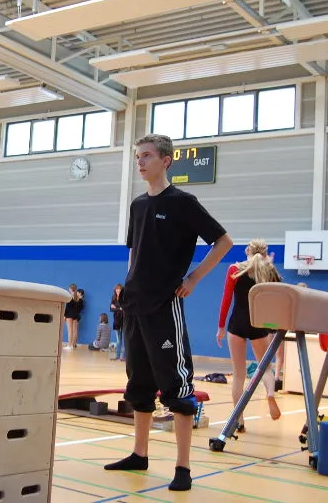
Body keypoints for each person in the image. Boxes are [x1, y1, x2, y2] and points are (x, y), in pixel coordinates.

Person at [105, 134, 233, 492]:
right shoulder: (137, 205)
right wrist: (128, 285)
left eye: (146, 156)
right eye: (137, 157)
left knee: (177, 387)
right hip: (134, 306)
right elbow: (134, 251)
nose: (140, 162)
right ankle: (139, 454)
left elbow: (224, 241)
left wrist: (193, 278)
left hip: (165, 306)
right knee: (139, 384)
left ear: (166, 160)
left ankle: (183, 467)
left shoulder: (183, 203)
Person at [217, 238, 283, 431]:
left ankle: (239, 420)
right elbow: (277, 298)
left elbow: (226, 299)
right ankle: (270, 393)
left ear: (247, 251)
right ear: (265, 253)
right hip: (258, 324)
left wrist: (221, 327)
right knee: (265, 368)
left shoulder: (234, 269)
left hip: (237, 323)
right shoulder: (269, 271)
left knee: (238, 375)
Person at [63, 284, 84, 349]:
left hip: (69, 315)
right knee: (75, 331)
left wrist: (64, 315)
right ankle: (73, 344)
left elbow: (67, 308)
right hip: (76, 315)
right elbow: (80, 309)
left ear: (70, 288)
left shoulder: (70, 297)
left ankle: (69, 345)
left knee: (70, 331)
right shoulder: (79, 298)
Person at [110, 283, 125, 361]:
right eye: (117, 289)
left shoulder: (124, 298)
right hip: (116, 321)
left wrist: (116, 307)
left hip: (124, 321)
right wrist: (118, 308)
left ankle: (124, 357)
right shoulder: (114, 298)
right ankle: (117, 356)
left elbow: (124, 309)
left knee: (124, 340)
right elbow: (111, 308)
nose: (118, 290)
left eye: (119, 289)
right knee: (118, 340)